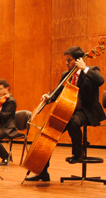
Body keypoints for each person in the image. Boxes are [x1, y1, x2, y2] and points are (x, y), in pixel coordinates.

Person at [26, 46, 106, 181]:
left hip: (87, 111)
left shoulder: (92, 70)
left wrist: (84, 68)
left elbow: (100, 81)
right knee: (48, 136)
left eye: (69, 60)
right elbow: (58, 93)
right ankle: (42, 172)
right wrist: (49, 97)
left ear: (78, 60)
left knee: (74, 122)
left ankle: (78, 153)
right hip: (69, 111)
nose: (66, 62)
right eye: (66, 60)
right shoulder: (66, 75)